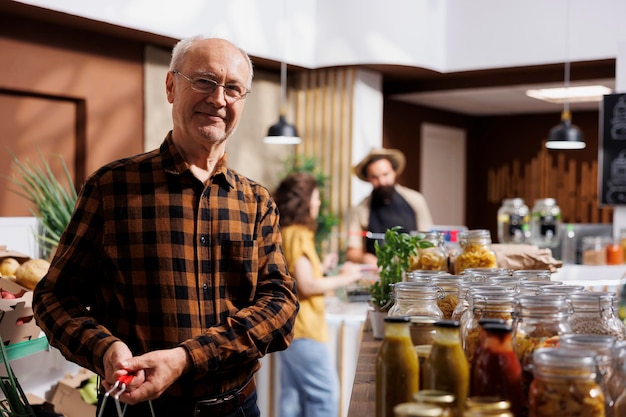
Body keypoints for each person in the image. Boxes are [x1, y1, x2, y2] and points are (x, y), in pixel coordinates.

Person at [32, 35, 299, 417]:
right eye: (204, 81)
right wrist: (104, 348)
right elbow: (53, 297)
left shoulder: (256, 201)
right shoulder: (111, 188)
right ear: (171, 86)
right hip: (141, 411)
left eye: (233, 89)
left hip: (237, 408)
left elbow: (280, 306)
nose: (219, 99)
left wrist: (186, 358)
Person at [273, 172, 363, 417]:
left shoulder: (287, 231)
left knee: (292, 397)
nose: (318, 203)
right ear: (304, 201)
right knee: (325, 396)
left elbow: (296, 276)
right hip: (305, 329)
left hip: (289, 328)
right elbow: (307, 285)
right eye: (315, 197)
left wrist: (321, 267)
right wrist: (347, 277)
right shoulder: (299, 234)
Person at [346, 148, 433, 265]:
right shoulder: (360, 210)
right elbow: (352, 251)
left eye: (385, 174)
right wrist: (365, 258)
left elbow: (428, 241)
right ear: (368, 178)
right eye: (375, 177)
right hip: (377, 272)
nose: (382, 181)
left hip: (412, 269)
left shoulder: (416, 200)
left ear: (394, 171)